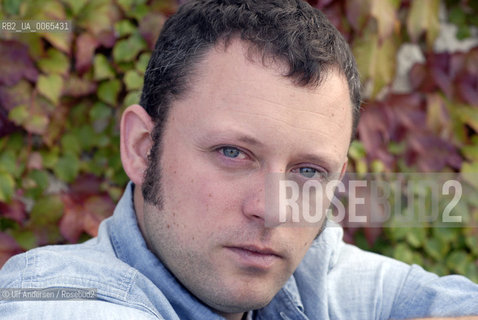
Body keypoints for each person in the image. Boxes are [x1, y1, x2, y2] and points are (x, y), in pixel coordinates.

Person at [1, 0, 477, 319]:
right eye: (233, 153)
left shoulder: (316, 274)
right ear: (142, 148)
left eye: (308, 172)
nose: (273, 209)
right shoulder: (54, 294)